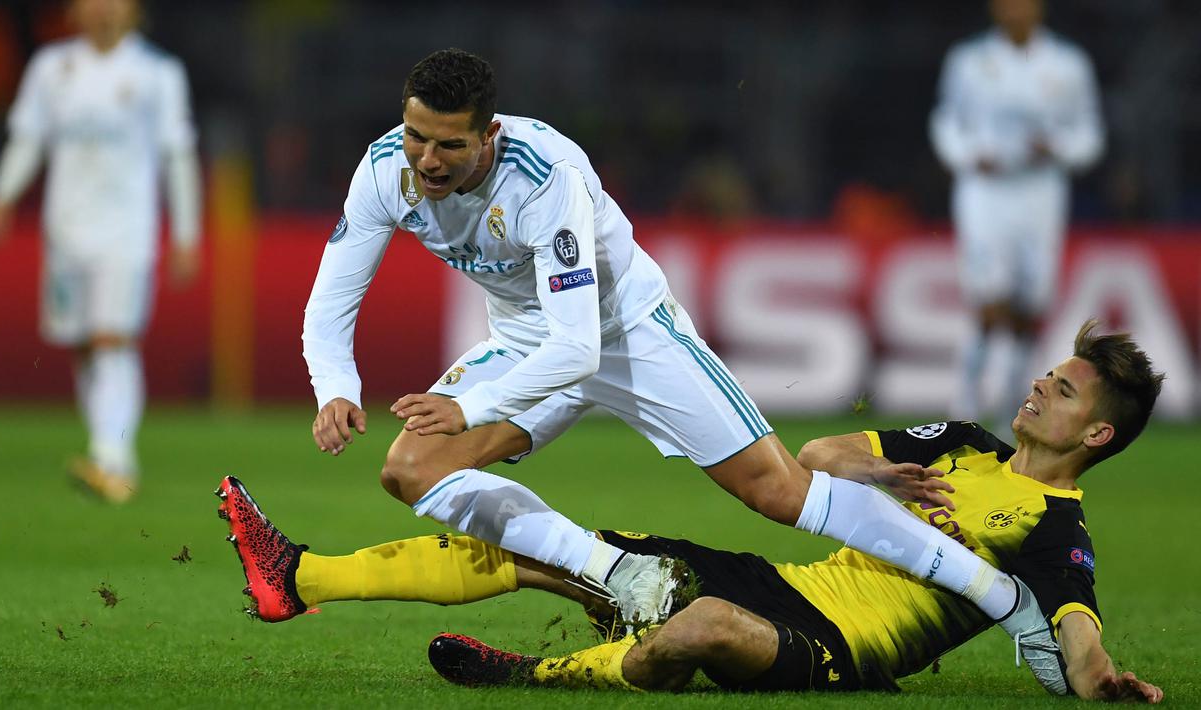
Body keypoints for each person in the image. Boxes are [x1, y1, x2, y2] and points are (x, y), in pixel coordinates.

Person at [300, 47, 1034, 640]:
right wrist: (334, 387)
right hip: (528, 341)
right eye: (415, 136)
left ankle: (1002, 598)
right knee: (410, 469)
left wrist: (472, 407)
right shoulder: (383, 170)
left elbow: (579, 348)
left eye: (448, 145)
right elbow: (333, 297)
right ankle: (622, 576)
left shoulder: (543, 176)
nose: (426, 161)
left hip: (625, 332)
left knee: (776, 491)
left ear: (488, 135)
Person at [216, 318, 1164, 701]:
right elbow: (819, 461)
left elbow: (1073, 629)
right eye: (1049, 374)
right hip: (784, 581)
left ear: (1096, 439)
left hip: (838, 650)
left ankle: (540, 676)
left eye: (1065, 393)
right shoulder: (959, 443)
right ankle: (301, 578)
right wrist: (891, 482)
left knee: (703, 624)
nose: (1040, 390)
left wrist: (1103, 678)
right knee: (575, 554)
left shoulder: (1055, 533)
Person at [0, 0, 201, 502]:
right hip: (66, 232)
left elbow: (177, 154)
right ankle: (107, 451)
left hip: (128, 231)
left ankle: (113, 459)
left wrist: (186, 232)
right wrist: (2, 196)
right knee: (83, 345)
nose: (105, 11)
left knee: (111, 340)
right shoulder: (50, 68)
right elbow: (28, 140)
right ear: (74, 11)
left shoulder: (157, 73)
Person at [930, 0, 1104, 434]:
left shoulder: (1068, 64)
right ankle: (966, 405)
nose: (1015, 10)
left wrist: (1059, 149)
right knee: (990, 302)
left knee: (1030, 307)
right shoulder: (970, 61)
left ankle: (1013, 407)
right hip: (985, 191)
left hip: (1041, 191)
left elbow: (1088, 134)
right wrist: (969, 155)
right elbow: (947, 122)